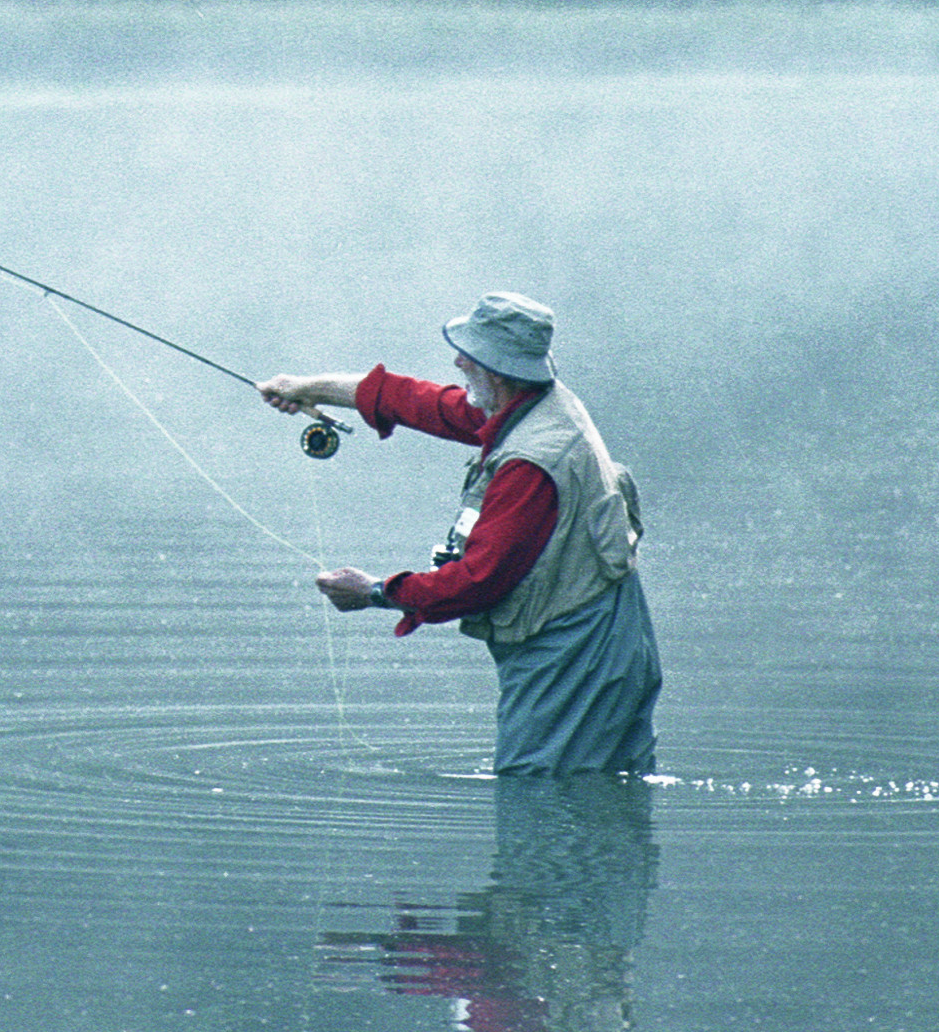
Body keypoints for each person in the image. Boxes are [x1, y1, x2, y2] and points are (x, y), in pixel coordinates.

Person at [261, 292, 659, 775]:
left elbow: (479, 581)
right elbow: (431, 404)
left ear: (494, 370)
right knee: (605, 796)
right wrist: (312, 388)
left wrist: (372, 592)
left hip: (574, 651)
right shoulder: (537, 405)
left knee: (538, 789)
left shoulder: (531, 463)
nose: (456, 361)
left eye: (467, 355)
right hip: (609, 633)